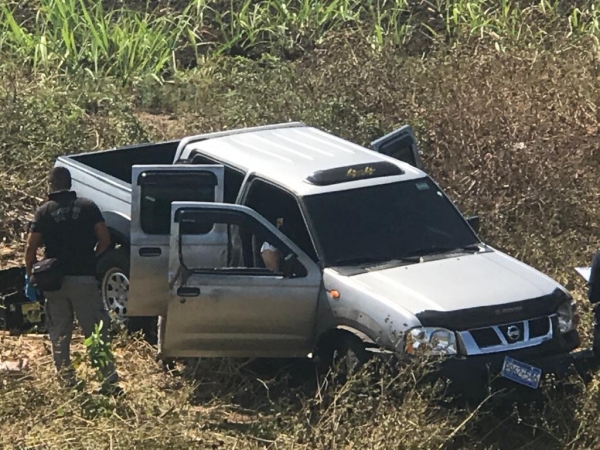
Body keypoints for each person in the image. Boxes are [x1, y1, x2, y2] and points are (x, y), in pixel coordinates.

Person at [24, 166, 120, 392]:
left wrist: (31, 274)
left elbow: (30, 248)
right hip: (84, 279)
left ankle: (67, 384)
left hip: (54, 281)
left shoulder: (44, 212)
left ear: (51, 185)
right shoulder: (88, 207)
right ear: (70, 184)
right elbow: (105, 240)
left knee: (59, 333)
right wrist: (92, 258)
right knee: (96, 331)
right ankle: (108, 382)